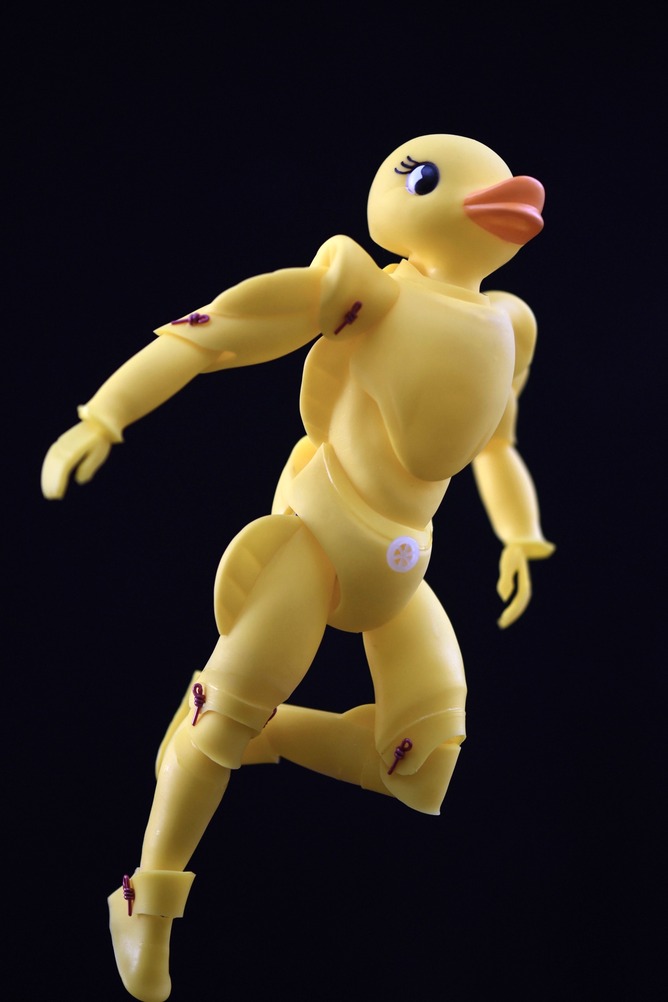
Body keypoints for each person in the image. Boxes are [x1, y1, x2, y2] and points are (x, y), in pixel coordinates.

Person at [42, 134, 554, 1002]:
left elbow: (496, 445)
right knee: (227, 711)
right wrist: (106, 414)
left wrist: (520, 533)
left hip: (404, 567)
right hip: (317, 542)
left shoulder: (511, 321)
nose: (491, 201)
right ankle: (146, 897)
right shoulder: (364, 290)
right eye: (430, 178)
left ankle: (259, 734)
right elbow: (218, 332)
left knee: (421, 761)